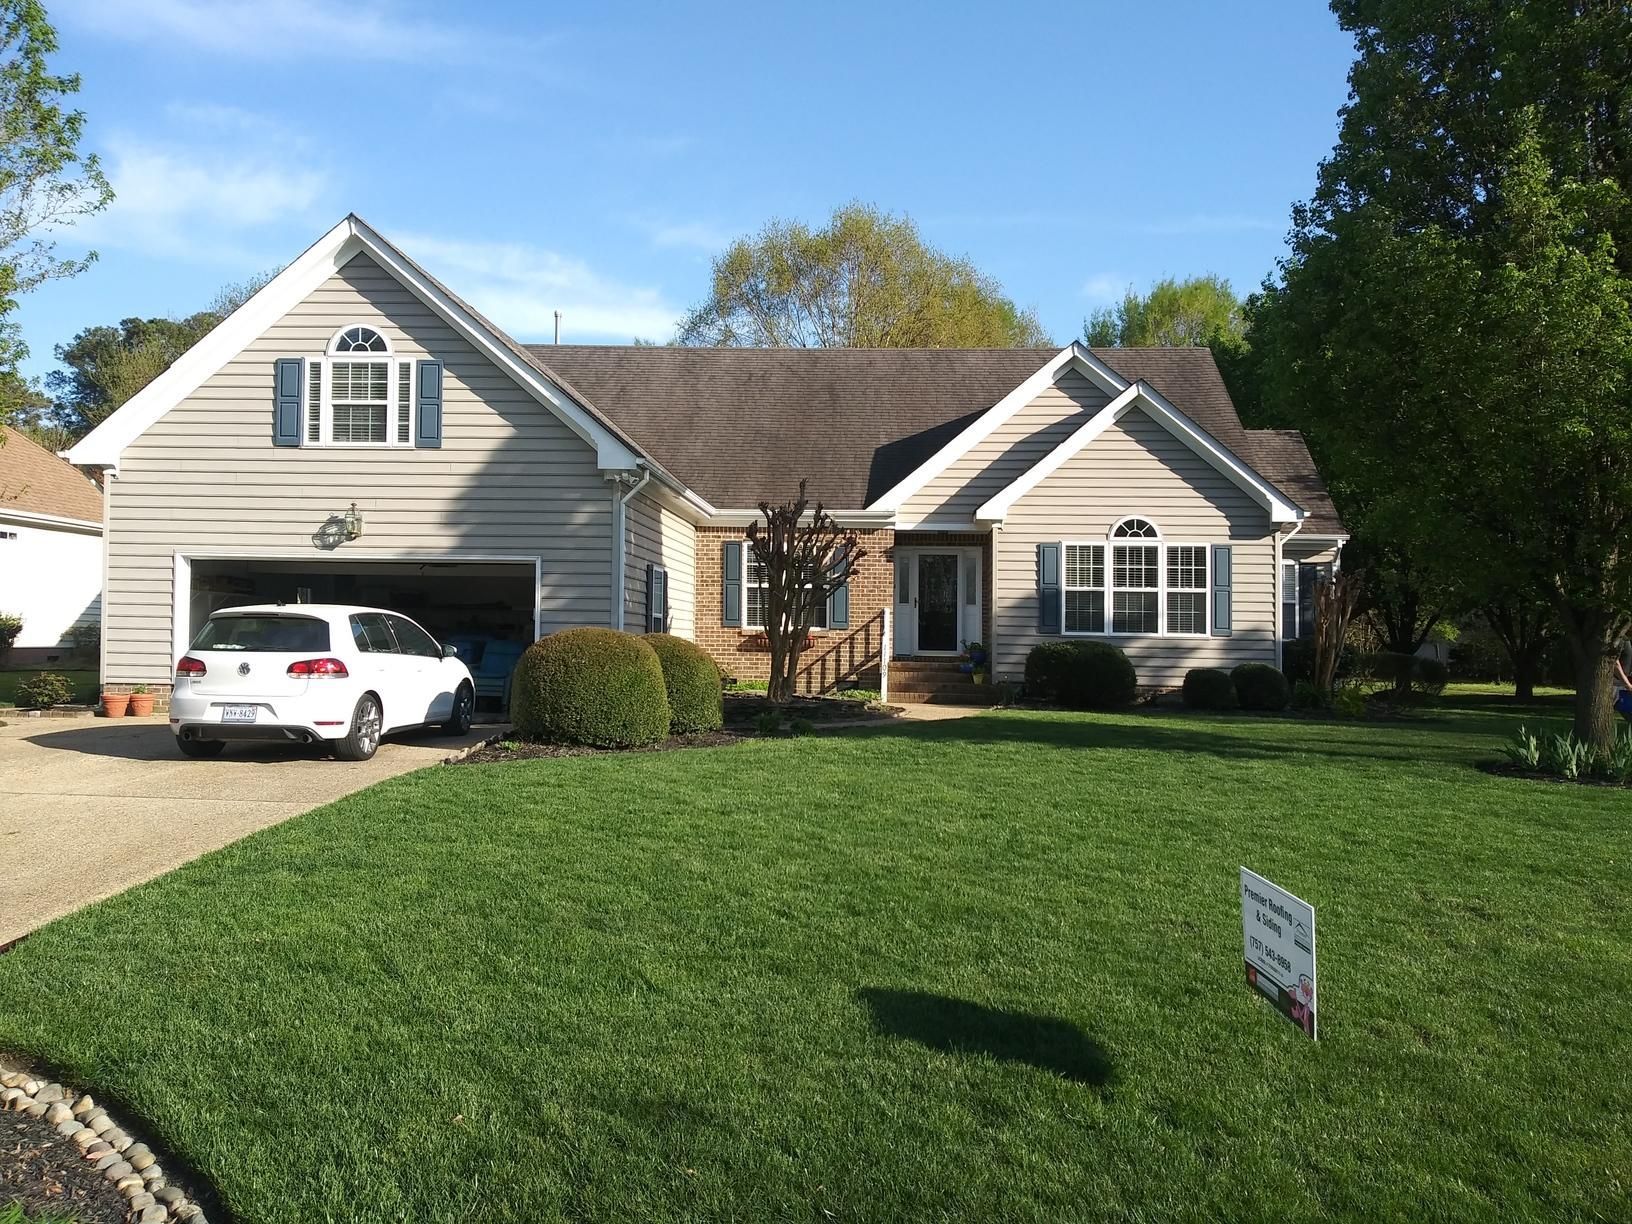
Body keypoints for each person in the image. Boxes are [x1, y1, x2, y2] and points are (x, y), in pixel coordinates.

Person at [1615, 639, 1632, 721]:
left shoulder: (1626, 640)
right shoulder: (1619, 639)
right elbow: (1614, 662)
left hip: (1621, 684)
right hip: (1615, 685)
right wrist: (1628, 685)